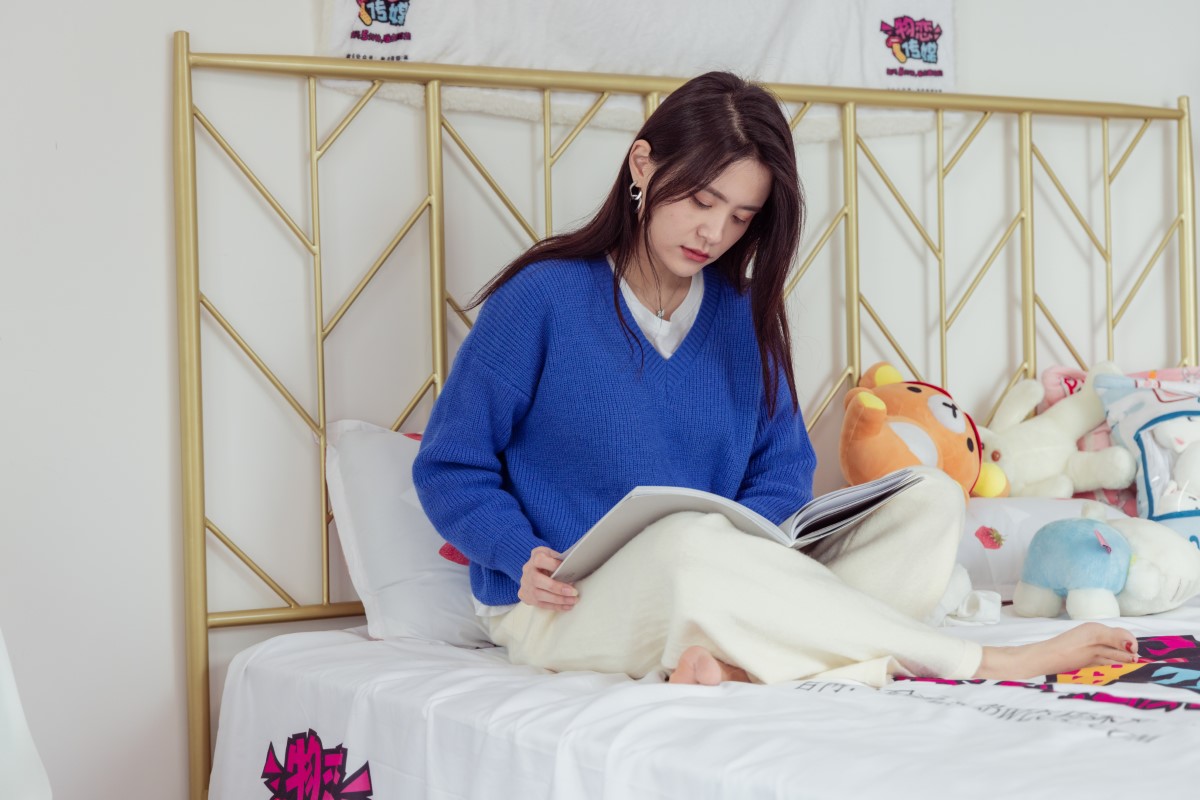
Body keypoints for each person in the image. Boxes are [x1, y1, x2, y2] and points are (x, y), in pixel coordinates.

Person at [412, 71, 1138, 686]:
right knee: (686, 541)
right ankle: (979, 661)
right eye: (701, 201)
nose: (714, 233)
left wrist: (753, 548)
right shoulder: (542, 298)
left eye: (740, 216)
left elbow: (782, 469)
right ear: (642, 166)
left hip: (720, 575)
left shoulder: (739, 313)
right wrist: (517, 553)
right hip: (561, 604)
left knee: (932, 498)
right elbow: (451, 464)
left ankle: (736, 667)